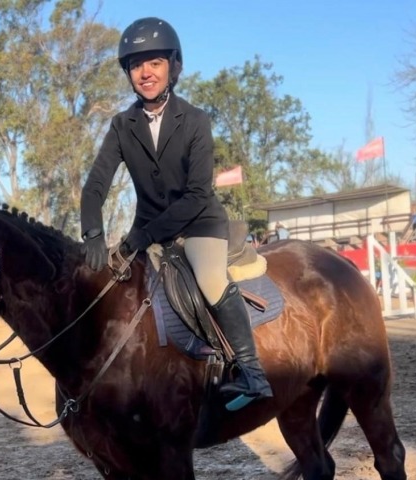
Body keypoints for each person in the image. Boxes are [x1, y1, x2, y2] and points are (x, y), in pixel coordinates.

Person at [80, 17, 272, 410]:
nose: (145, 72)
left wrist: (139, 237)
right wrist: (93, 233)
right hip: (148, 231)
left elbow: (197, 194)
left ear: (173, 66)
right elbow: (95, 184)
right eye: (136, 65)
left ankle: (252, 373)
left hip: (198, 223)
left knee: (210, 277)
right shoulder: (122, 125)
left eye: (153, 62)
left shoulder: (196, 120)